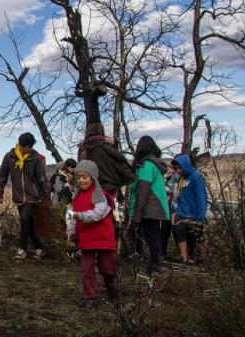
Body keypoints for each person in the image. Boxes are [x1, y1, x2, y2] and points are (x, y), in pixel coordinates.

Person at [65, 160, 117, 307]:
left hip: (103, 238)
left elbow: (97, 214)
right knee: (86, 269)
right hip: (86, 239)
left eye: (84, 177)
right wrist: (70, 230)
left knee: (107, 268)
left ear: (92, 177)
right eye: (78, 177)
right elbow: (71, 216)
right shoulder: (76, 197)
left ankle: (111, 285)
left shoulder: (100, 196)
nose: (81, 180)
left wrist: (78, 215)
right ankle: (90, 297)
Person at [0, 132, 50, 260]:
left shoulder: (35, 158)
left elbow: (41, 178)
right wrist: (0, 192)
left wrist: (47, 195)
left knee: (25, 218)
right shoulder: (9, 157)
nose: (30, 150)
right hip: (18, 196)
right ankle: (39, 248)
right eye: (27, 147)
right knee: (29, 222)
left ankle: (22, 249)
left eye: (31, 147)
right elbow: (3, 175)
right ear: (21, 146)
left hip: (33, 195)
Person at [128, 136, 170, 275]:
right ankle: (155, 265)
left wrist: (137, 215)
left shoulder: (147, 165)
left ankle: (155, 267)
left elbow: (143, 192)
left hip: (150, 207)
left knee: (151, 236)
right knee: (154, 235)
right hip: (157, 206)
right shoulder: (155, 164)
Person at [77, 123, 136, 201]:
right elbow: (119, 161)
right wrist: (114, 146)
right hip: (108, 188)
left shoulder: (82, 149)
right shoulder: (105, 145)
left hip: (90, 189)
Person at [171, 153, 208, 264]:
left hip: (194, 215)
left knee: (194, 237)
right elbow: (178, 196)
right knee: (179, 233)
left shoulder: (196, 177)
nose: (178, 171)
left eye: (179, 168)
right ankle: (184, 257)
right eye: (176, 169)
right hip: (182, 215)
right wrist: (175, 212)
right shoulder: (182, 179)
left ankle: (195, 257)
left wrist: (200, 217)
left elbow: (201, 197)